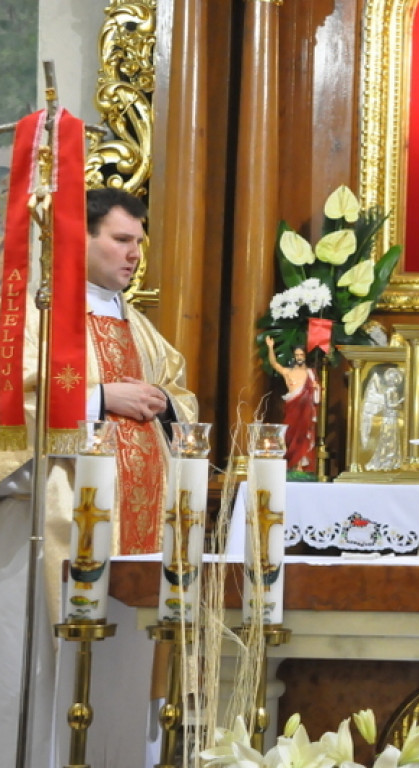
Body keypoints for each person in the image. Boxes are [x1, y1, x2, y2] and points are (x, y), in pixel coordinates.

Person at [0, 187, 197, 765]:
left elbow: (180, 397)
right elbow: (12, 410)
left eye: (139, 242)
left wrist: (165, 400)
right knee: (50, 684)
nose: (135, 254)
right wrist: (99, 398)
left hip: (143, 538)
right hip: (54, 541)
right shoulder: (38, 321)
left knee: (127, 687)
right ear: (77, 238)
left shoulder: (140, 328)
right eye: (120, 239)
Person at [265, 337, 319, 473]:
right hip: (292, 409)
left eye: (301, 355)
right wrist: (270, 347)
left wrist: (316, 388)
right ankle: (292, 465)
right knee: (290, 436)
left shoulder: (310, 374)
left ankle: (302, 466)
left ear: (305, 356)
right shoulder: (288, 372)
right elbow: (274, 364)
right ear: (294, 357)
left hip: (305, 410)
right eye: (297, 355)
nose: (299, 357)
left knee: (303, 438)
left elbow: (317, 394)